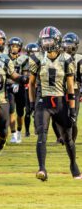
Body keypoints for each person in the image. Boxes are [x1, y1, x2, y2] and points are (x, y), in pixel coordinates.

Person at [29, 26, 82, 181]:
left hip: (60, 101)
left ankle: (73, 165)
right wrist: (32, 104)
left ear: (57, 40)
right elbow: (31, 84)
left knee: (68, 138)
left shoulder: (67, 59)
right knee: (41, 136)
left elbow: (71, 86)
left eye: (49, 39)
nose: (46, 43)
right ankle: (42, 169)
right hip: (43, 101)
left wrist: (72, 109)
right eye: (44, 40)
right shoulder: (37, 59)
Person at [6, 37, 29, 143]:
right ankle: (13, 133)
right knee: (11, 110)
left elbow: (25, 76)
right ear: (9, 47)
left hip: (20, 87)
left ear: (19, 48)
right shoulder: (4, 58)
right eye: (13, 46)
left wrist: (19, 82)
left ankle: (19, 131)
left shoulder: (23, 59)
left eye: (16, 46)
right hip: (8, 87)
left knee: (20, 113)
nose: (14, 48)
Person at [62, 32, 82, 142]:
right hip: (61, 89)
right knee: (60, 117)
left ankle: (71, 140)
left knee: (73, 117)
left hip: (74, 89)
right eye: (66, 44)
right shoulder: (60, 58)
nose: (68, 47)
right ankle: (63, 137)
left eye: (71, 44)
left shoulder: (79, 59)